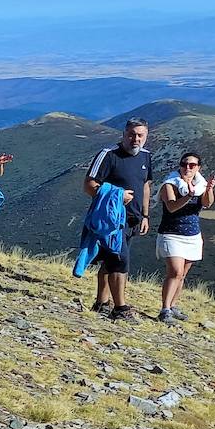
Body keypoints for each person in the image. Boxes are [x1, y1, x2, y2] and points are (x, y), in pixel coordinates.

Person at [84, 118, 152, 321]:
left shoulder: (146, 157)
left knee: (109, 260)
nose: (135, 139)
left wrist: (145, 215)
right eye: (131, 134)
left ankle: (101, 303)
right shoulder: (108, 155)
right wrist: (117, 195)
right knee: (120, 260)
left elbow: (146, 185)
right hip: (110, 220)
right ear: (124, 134)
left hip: (132, 218)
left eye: (140, 135)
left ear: (146, 136)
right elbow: (88, 185)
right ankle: (120, 308)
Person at [156, 152, 215, 325]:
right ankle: (165, 309)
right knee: (175, 271)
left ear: (198, 168)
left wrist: (209, 189)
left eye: (192, 165)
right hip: (171, 233)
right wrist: (188, 196)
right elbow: (172, 206)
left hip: (192, 235)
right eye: (184, 164)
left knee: (182, 275)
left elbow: (207, 203)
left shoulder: (201, 185)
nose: (187, 168)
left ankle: (173, 305)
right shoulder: (170, 184)